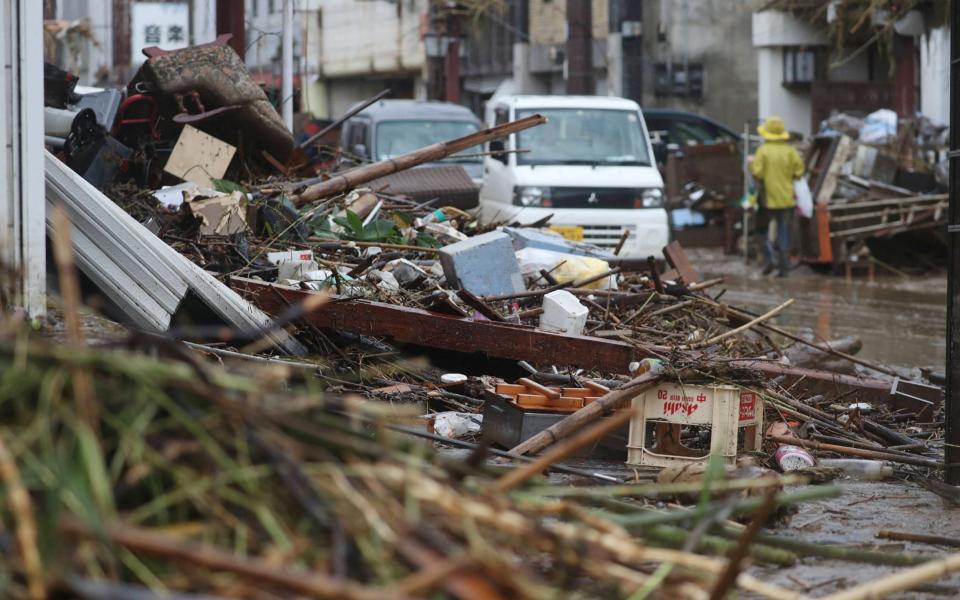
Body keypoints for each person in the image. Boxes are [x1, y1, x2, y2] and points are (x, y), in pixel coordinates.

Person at [749, 116, 804, 277]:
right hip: (787, 199)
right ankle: (784, 266)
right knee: (784, 231)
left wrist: (751, 165)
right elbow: (799, 172)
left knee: (760, 230)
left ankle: (769, 259)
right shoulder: (790, 151)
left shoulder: (763, 151)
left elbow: (757, 173)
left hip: (767, 199)